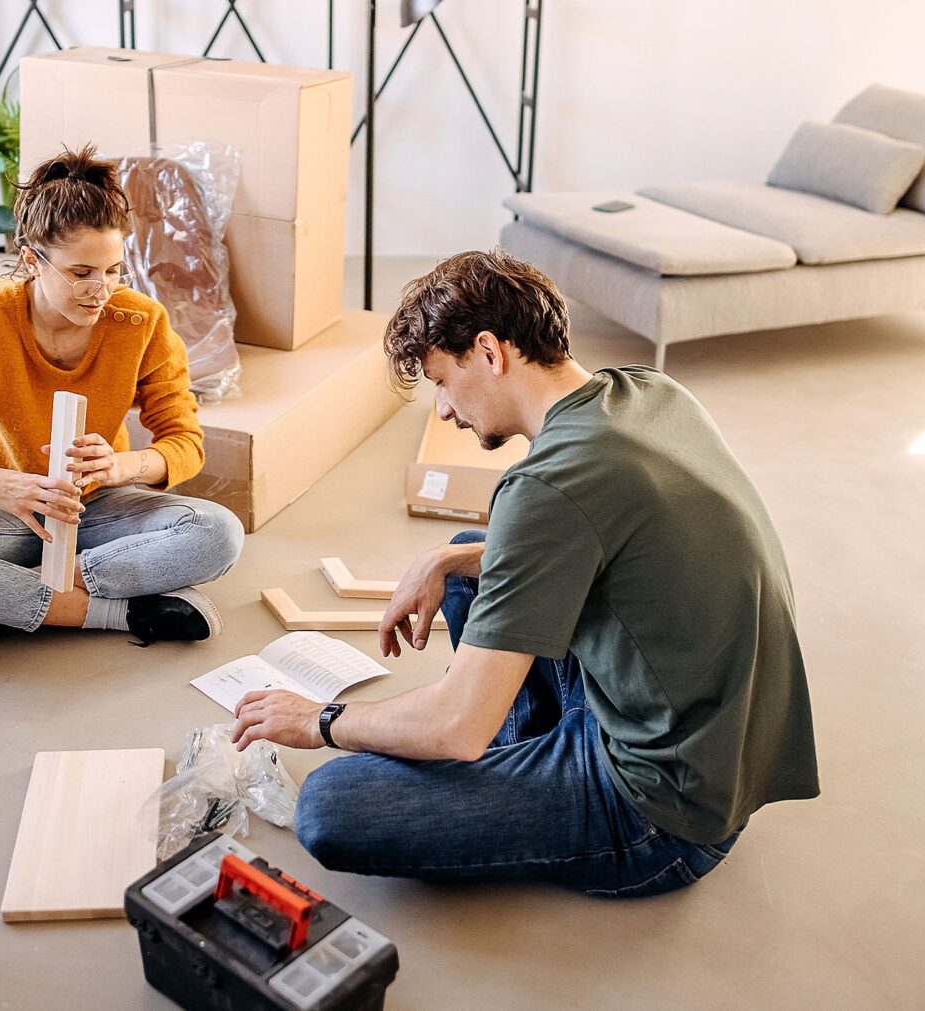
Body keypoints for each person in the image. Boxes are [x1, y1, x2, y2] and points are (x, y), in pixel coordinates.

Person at [231, 249, 818, 897]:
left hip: (663, 813)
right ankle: (521, 758)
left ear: (488, 351)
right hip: (715, 746)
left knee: (331, 802)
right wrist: (445, 557)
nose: (446, 410)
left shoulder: (546, 485)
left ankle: (519, 769)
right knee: (466, 553)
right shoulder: (647, 391)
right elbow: (605, 539)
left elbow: (455, 726)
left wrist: (320, 718)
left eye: (442, 381)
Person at [0, 146, 243, 654]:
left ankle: (1, 602)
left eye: (113, 271)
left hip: (101, 510)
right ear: (32, 260)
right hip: (7, 513)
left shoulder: (141, 321)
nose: (101, 290)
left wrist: (119, 467)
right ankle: (111, 611)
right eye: (81, 273)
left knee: (219, 532)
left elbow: (185, 443)